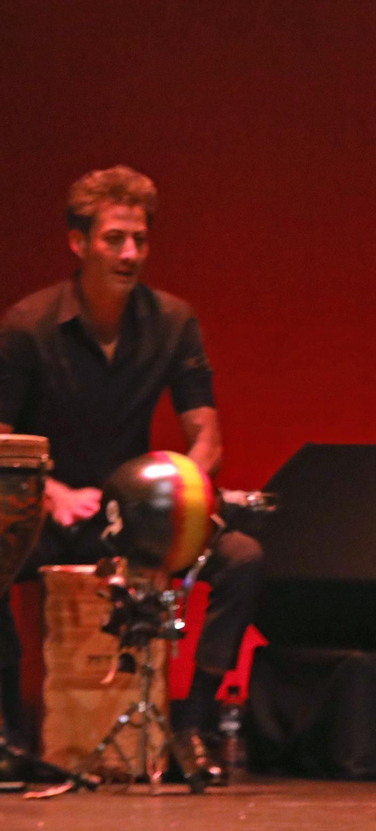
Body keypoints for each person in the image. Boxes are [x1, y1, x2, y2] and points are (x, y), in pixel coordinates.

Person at [0, 165, 263, 787]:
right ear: (77, 242)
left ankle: (192, 725)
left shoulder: (173, 321)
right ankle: (9, 729)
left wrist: (182, 496)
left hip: (136, 515)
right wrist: (52, 490)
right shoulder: (27, 326)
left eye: (139, 240)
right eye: (114, 238)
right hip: (55, 513)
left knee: (242, 557)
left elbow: (206, 434)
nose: (129, 253)